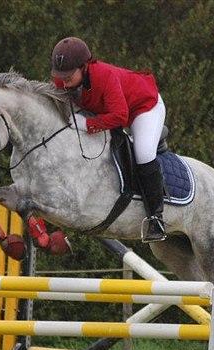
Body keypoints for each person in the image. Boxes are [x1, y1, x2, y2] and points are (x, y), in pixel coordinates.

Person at [50, 36, 167, 243]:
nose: (63, 81)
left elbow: (120, 116)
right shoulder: (62, 80)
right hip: (109, 111)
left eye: (69, 76)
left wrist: (87, 125)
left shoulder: (104, 76)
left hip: (143, 107)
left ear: (84, 67)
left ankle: (156, 218)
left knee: (144, 153)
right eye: (61, 75)